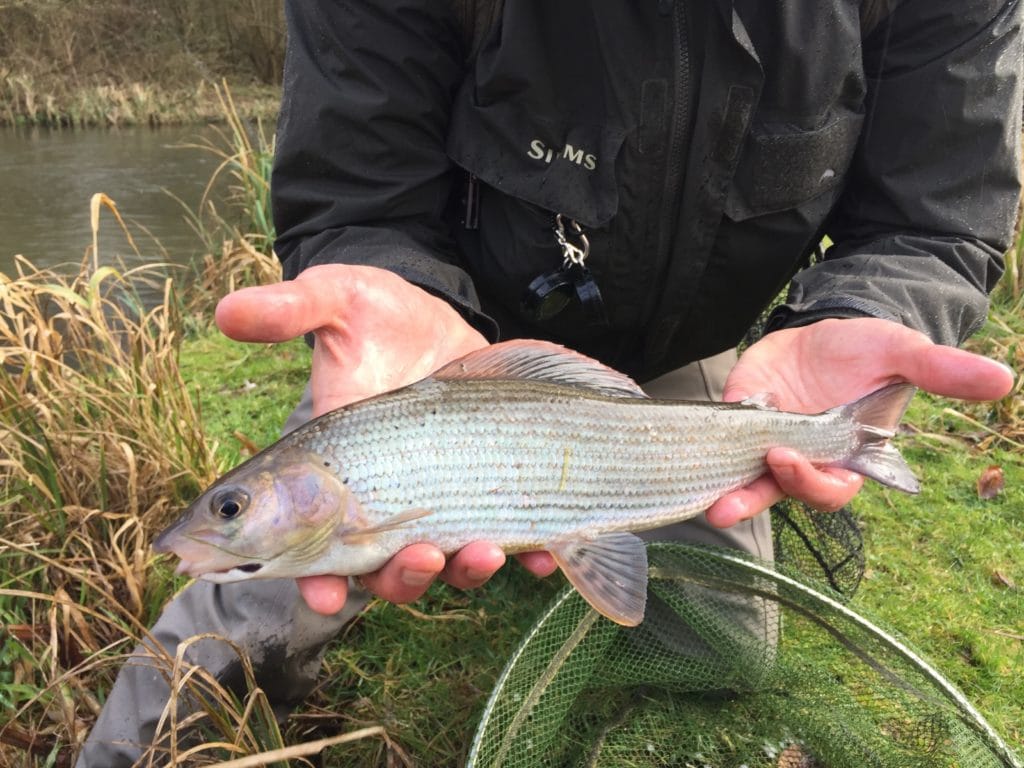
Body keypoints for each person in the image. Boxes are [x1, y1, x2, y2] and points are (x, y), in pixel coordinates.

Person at [77, 0, 1021, 764]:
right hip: (429, 360)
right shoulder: (340, 453)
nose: (213, 517)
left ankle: (578, 545)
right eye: (231, 506)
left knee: (725, 647)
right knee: (239, 618)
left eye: (227, 508)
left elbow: (934, 219)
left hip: (693, 363)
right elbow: (360, 188)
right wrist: (385, 273)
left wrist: (848, 316)